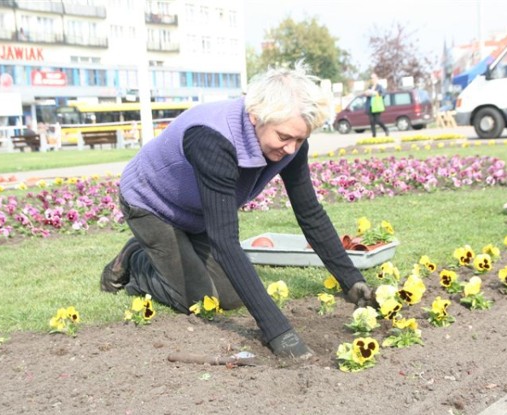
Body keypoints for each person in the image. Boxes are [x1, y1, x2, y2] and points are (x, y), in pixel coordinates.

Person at [100, 64, 373, 359]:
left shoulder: (290, 144)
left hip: (198, 211)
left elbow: (310, 212)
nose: (292, 149)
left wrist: (352, 280)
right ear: (256, 116)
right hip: (152, 205)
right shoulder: (212, 140)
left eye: (300, 139)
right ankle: (136, 261)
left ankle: (172, 252)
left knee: (229, 298)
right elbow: (224, 240)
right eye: (284, 137)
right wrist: (278, 332)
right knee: (198, 299)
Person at [364, 72, 389, 137]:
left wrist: (376, 93)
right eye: (371, 78)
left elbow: (383, 94)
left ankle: (385, 129)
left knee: (378, 120)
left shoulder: (379, 87)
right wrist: (367, 93)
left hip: (377, 106)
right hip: (370, 106)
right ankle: (374, 135)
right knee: (371, 121)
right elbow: (367, 95)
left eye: (374, 78)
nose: (373, 79)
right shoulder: (370, 87)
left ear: (376, 78)